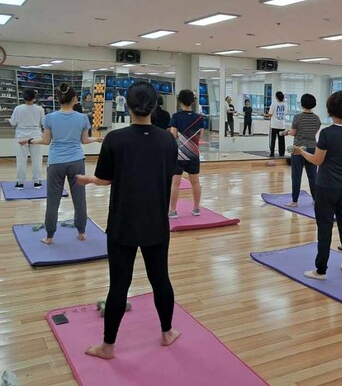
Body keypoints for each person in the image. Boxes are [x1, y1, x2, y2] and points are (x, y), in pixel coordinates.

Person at [76, 81, 179, 360]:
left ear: (127, 106)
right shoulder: (167, 140)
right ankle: (167, 332)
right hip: (156, 222)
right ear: (154, 106)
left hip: (123, 224)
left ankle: (108, 347)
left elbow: (105, 178)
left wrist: (88, 180)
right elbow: (166, 174)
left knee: (119, 285)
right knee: (160, 279)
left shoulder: (115, 139)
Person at [18, 83, 102, 244]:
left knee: (53, 200)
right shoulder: (83, 118)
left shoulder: (50, 117)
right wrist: (97, 139)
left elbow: (46, 141)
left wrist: (28, 140)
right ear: (74, 99)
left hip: (56, 163)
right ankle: (82, 233)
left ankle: (49, 237)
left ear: (58, 99)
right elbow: (85, 141)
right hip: (76, 162)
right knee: (79, 199)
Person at [294, 91, 342, 280]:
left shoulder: (327, 133)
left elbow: (317, 160)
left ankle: (321, 270)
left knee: (324, 227)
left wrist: (301, 152)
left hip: (326, 187)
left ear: (330, 110)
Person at [168, 90, 204, 218]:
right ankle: (197, 209)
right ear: (193, 101)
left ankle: (173, 211)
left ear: (180, 101)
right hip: (194, 154)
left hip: (179, 154)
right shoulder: (199, 118)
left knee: (175, 184)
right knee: (195, 183)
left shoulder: (176, 117)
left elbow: (173, 135)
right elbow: (200, 136)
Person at [287, 94, 321, 206]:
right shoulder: (317, 118)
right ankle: (316, 199)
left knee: (296, 175)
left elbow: (293, 133)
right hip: (312, 148)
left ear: (302, 104)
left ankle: (294, 201)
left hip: (298, 148)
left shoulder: (298, 117)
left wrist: (288, 132)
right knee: (313, 175)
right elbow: (314, 132)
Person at [9, 88, 45, 189]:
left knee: (21, 159)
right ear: (34, 97)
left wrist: (9, 120)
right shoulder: (40, 109)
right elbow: (43, 123)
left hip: (21, 135)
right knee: (37, 159)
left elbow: (13, 123)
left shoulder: (18, 108)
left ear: (23, 97)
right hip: (36, 135)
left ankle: (20, 182)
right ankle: (37, 181)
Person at [266, 91, 286, 156]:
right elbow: (285, 113)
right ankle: (282, 153)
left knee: (273, 140)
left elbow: (270, 114)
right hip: (282, 125)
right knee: (281, 140)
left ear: (276, 97)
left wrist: (264, 115)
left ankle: (272, 153)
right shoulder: (285, 105)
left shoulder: (273, 104)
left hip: (274, 125)